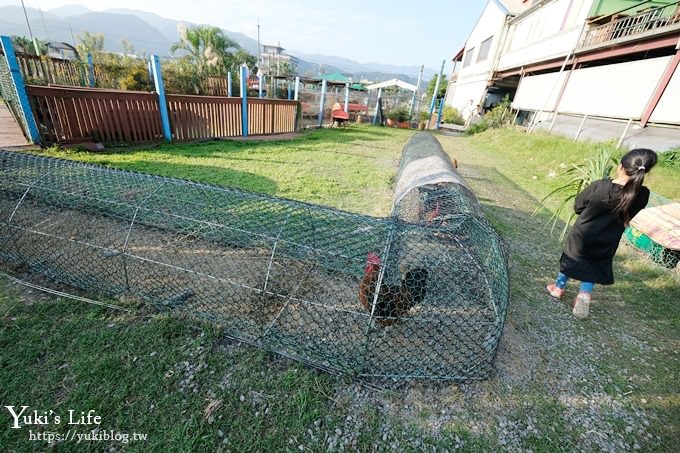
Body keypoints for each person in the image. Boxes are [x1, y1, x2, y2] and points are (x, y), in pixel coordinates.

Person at [546, 148, 658, 319]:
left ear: (621, 167)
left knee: (571, 258)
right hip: (609, 237)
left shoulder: (601, 185)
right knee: (594, 263)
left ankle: (558, 288)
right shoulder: (642, 194)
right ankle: (584, 295)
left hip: (583, 233)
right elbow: (630, 216)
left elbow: (578, 206)